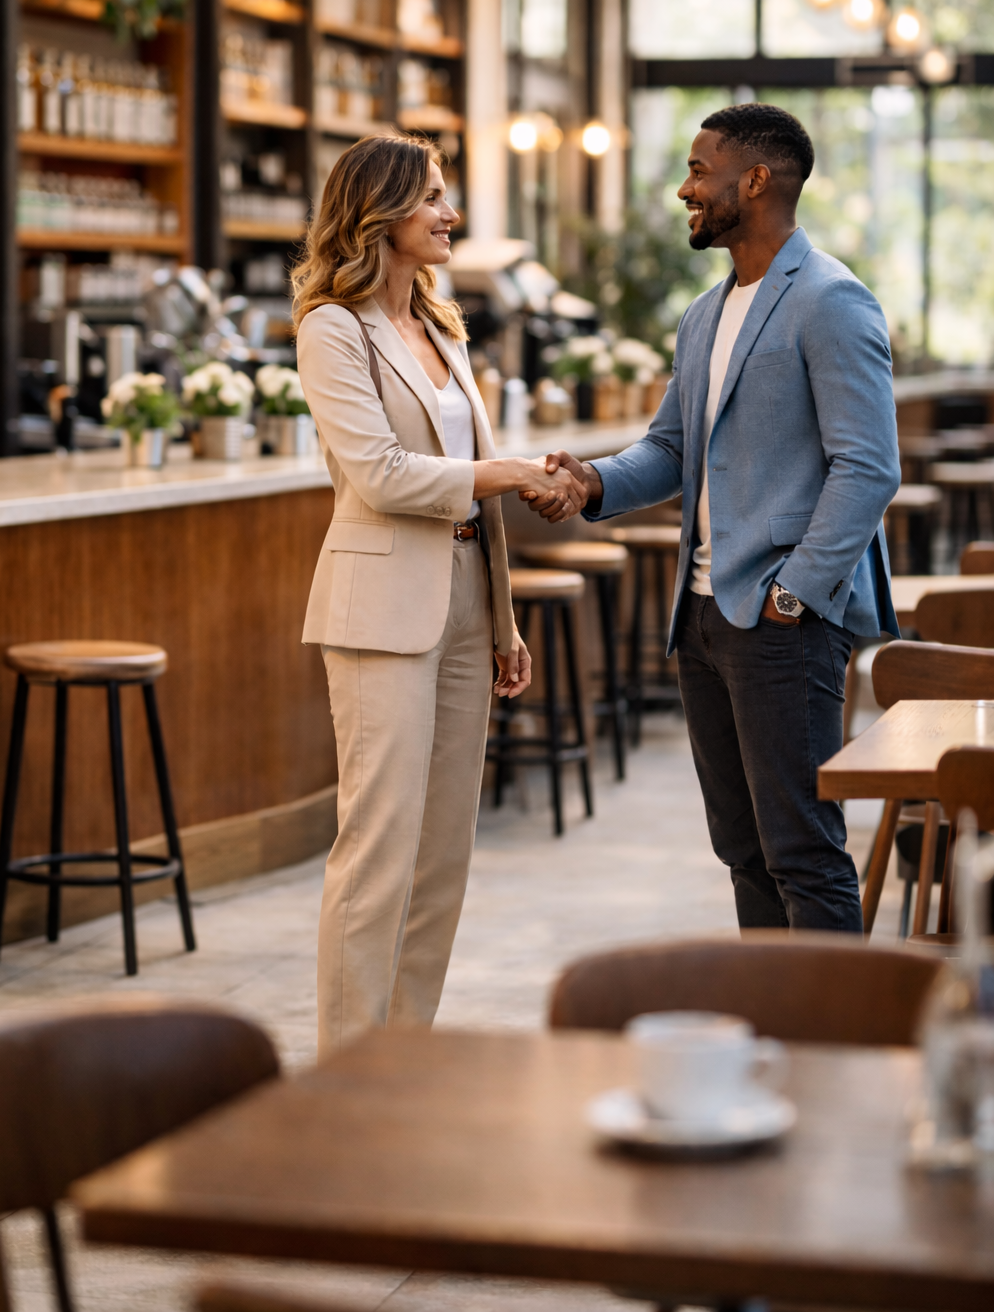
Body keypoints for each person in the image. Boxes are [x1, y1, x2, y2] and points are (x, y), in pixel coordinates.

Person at [527, 104, 900, 933]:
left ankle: (837, 1053)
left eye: (701, 170)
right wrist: (590, 482)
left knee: (802, 850)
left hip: (780, 619)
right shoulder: (705, 313)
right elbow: (669, 449)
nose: (685, 189)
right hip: (700, 618)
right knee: (742, 849)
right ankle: (775, 1036)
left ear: (756, 180)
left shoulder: (832, 301)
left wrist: (795, 592)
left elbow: (870, 467)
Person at [294, 134, 585, 1057]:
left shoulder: (443, 325)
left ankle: (402, 1055)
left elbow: (463, 482)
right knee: (378, 850)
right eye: (432, 198)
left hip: (464, 596)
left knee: (444, 854)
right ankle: (347, 1070)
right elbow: (378, 475)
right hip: (381, 607)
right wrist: (502, 472)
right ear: (379, 210)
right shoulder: (331, 328)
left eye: (446, 196)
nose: (450, 213)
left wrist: (499, 619)